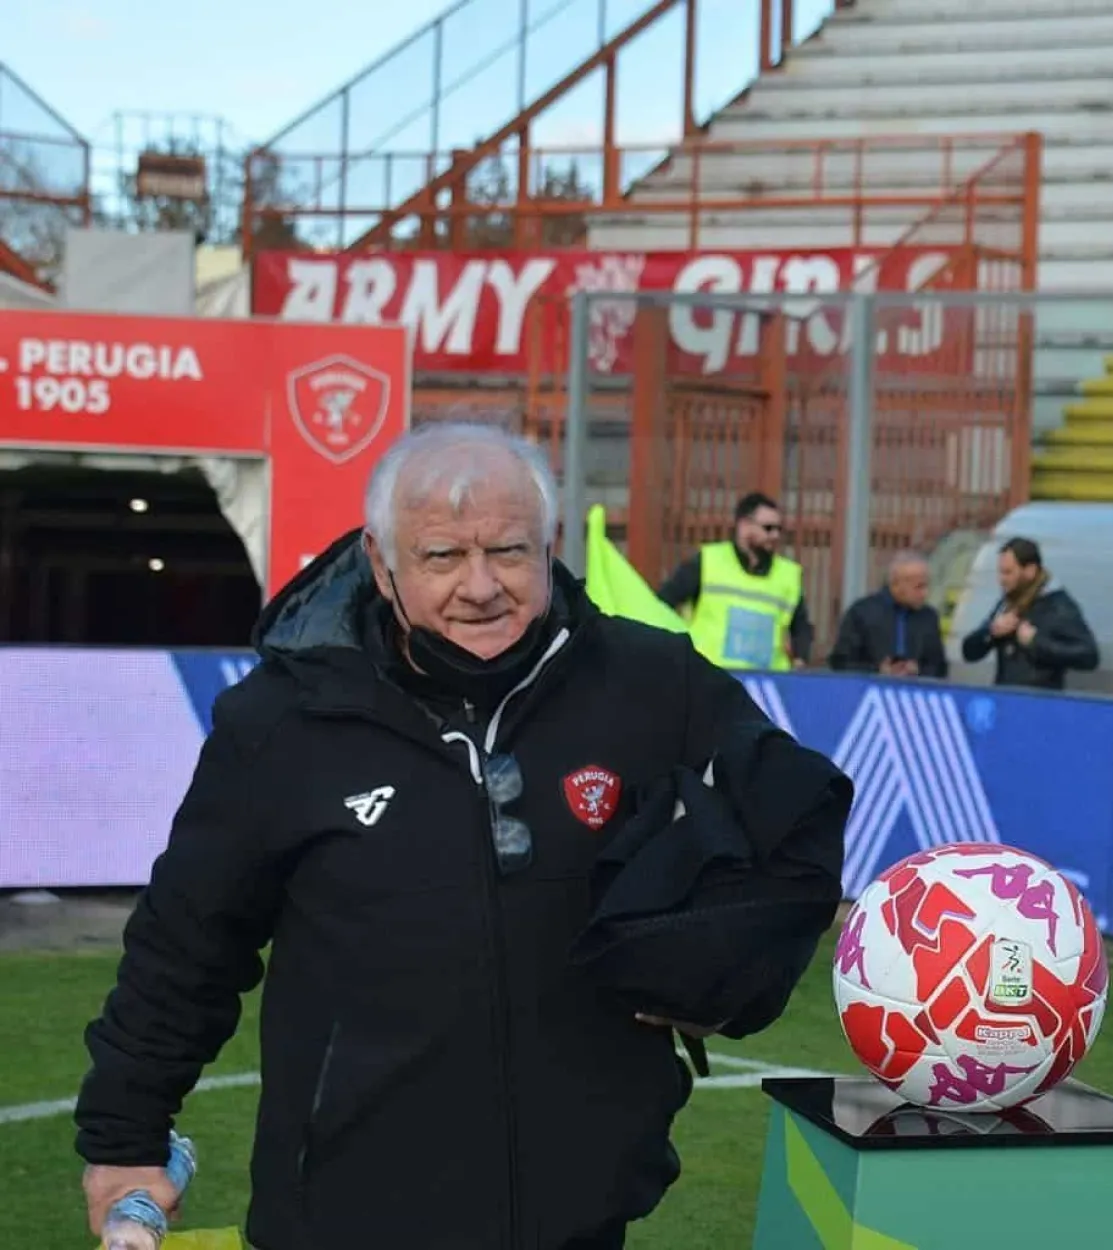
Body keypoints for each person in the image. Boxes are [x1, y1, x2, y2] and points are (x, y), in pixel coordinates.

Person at [74, 422, 844, 1250]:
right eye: (442, 558)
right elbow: (186, 944)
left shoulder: (653, 683)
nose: (481, 586)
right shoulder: (283, 719)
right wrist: (125, 1138)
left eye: (509, 552)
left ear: (549, 545)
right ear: (381, 562)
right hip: (343, 1219)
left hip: (583, 1215)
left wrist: (720, 973)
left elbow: (796, 820)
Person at [657, 492, 812, 672]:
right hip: (709, 676)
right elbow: (663, 603)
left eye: (779, 529)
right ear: (744, 526)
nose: (775, 535)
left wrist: (801, 659)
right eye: (768, 528)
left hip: (766, 682)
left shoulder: (788, 575)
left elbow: (801, 626)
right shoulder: (708, 562)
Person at [961, 537, 1099, 690]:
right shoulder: (1007, 602)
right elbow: (969, 652)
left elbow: (1089, 656)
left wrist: (1036, 642)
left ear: (1030, 571)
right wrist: (991, 632)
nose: (1001, 580)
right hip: (1005, 698)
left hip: (1041, 704)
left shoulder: (1058, 606)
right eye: (1000, 572)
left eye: (1008, 573)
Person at [829, 551, 948, 678]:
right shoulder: (862, 612)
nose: (925, 593)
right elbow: (841, 662)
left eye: (926, 586)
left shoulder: (928, 617)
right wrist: (878, 670)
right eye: (919, 587)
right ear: (896, 584)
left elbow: (939, 667)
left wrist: (918, 670)